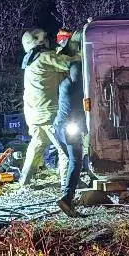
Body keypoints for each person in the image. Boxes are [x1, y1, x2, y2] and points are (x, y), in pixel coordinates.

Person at [18, 28, 73, 187]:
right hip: (48, 113)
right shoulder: (45, 57)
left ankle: (24, 181)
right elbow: (69, 63)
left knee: (37, 145)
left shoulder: (29, 60)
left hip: (33, 114)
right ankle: (68, 184)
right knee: (65, 149)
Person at [53, 30, 85, 216]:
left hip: (59, 126)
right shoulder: (76, 81)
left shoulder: (65, 82)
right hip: (69, 127)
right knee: (75, 162)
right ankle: (66, 198)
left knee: (73, 161)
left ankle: (69, 196)